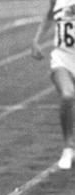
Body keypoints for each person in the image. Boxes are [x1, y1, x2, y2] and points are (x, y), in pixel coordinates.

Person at [31, 0, 75, 170]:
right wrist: (36, 40)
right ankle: (68, 147)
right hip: (62, 57)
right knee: (67, 95)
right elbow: (50, 14)